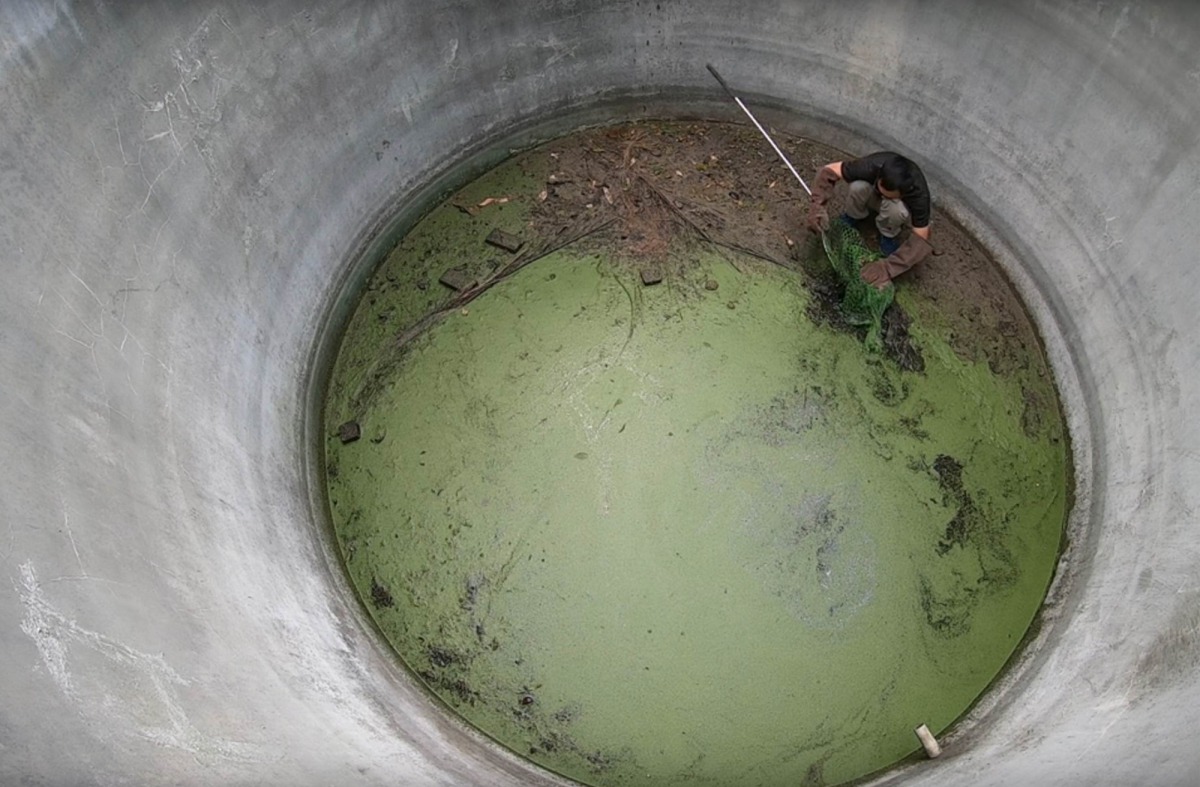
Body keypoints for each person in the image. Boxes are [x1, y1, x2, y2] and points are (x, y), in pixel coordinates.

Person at [805, 152, 934, 289]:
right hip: (871, 195)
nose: (883, 193)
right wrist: (817, 206)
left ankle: (888, 233)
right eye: (881, 187)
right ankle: (854, 215)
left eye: (889, 194)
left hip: (892, 208)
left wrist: (888, 268)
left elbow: (921, 237)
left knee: (898, 210)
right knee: (857, 187)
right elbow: (829, 171)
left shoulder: (918, 194)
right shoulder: (871, 166)